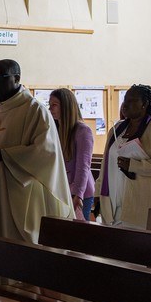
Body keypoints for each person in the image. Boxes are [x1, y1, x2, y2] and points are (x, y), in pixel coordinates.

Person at [96, 84, 151, 229]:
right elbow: (106, 164)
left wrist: (134, 165)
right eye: (125, 100)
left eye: (131, 101)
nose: (125, 105)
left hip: (147, 204)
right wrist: (98, 193)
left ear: (144, 104)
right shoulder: (117, 129)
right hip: (114, 202)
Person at [48, 88, 94, 221]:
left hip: (80, 192)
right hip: (62, 189)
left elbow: (83, 166)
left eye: (54, 105)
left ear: (66, 106)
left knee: (77, 230)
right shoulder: (55, 129)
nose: (50, 109)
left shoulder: (83, 130)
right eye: (49, 105)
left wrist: (77, 194)